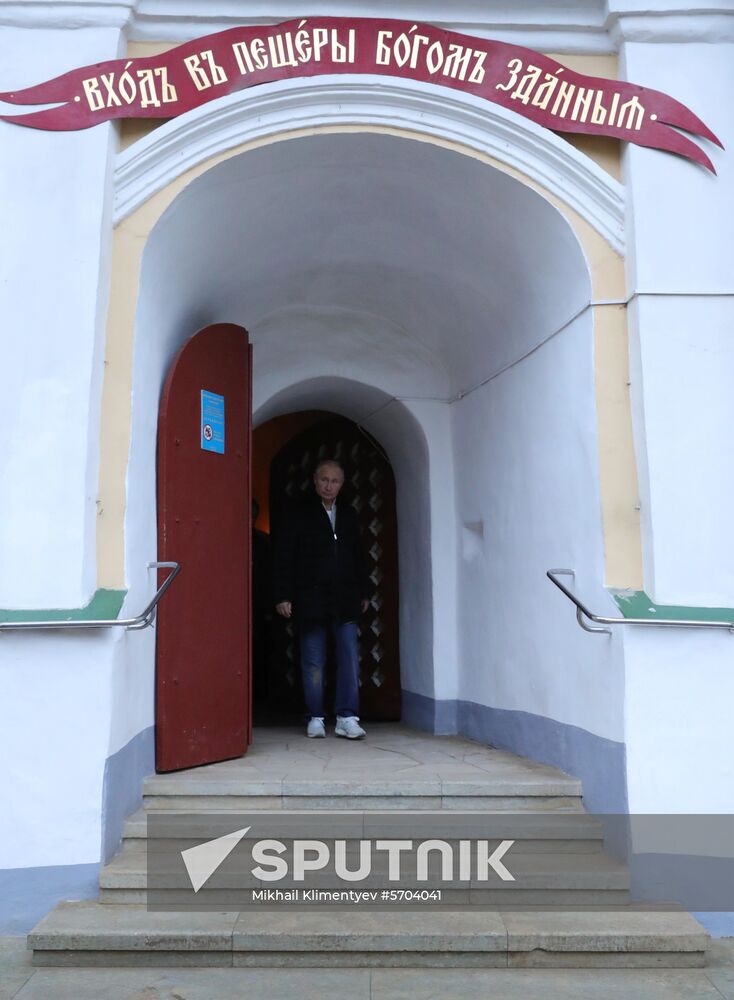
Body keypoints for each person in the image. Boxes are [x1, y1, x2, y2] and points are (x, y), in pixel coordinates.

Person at [271, 459, 370, 739]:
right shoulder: (298, 514)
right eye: (324, 480)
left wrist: (363, 591)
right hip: (310, 598)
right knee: (313, 660)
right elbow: (284, 556)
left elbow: (358, 555)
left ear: (342, 484)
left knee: (349, 657)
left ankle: (347, 717)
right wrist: (282, 594)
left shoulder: (349, 513)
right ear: (315, 480)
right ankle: (315, 716)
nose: (328, 485)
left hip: (345, 598)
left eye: (334, 481)